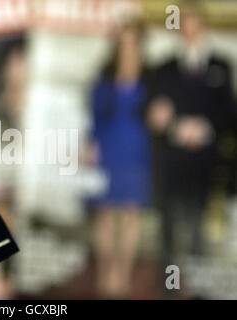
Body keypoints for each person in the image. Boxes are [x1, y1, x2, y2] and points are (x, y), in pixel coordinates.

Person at [145, 4, 235, 297]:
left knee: (198, 232)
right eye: (184, 23)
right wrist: (172, 126)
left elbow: (228, 113)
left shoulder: (221, 66)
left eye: (195, 23)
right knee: (169, 232)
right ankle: (168, 290)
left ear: (204, 26)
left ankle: (198, 291)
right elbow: (152, 110)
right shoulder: (164, 68)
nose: (189, 29)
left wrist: (206, 128)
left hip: (204, 164)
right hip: (171, 162)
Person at [87, 21, 151, 298]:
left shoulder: (151, 75)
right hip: (109, 145)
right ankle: (105, 274)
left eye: (132, 40)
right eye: (123, 40)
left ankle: (122, 275)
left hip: (138, 148)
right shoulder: (104, 73)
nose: (127, 46)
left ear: (139, 42)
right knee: (105, 212)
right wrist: (91, 141)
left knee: (131, 212)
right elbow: (95, 112)